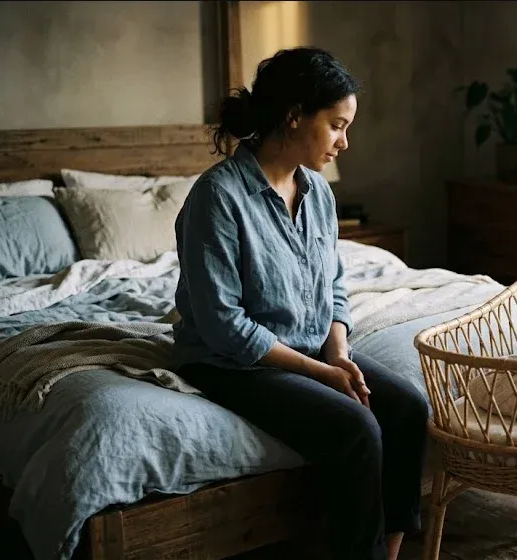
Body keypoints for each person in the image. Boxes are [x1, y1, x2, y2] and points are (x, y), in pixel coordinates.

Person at [170, 47, 428, 560]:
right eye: (336, 125)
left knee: (407, 409)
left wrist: (337, 352)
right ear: (293, 116)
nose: (345, 142)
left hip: (310, 348)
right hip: (234, 364)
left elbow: (334, 285)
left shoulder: (318, 193)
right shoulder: (217, 198)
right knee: (358, 428)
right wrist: (318, 371)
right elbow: (225, 326)